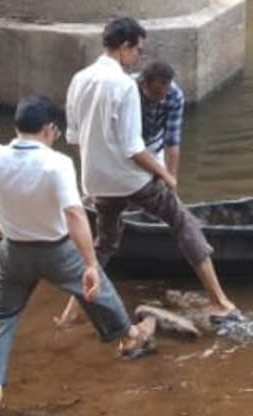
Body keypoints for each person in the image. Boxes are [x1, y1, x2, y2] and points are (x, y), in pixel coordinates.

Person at [0, 96, 157, 416]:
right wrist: (89, 262)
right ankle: (129, 337)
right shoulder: (56, 163)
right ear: (48, 129)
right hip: (57, 250)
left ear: (17, 126)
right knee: (97, 289)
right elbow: (73, 213)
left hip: (14, 250)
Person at [64, 17, 242, 324]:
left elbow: (74, 139)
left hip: (95, 183)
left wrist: (95, 172)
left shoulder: (79, 79)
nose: (138, 58)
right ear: (124, 47)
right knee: (184, 223)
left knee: (103, 247)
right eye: (137, 50)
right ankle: (220, 301)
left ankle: (69, 314)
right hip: (131, 180)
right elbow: (134, 150)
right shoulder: (124, 86)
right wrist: (165, 175)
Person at [138, 60, 185, 179]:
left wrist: (171, 179)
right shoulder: (128, 90)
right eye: (155, 94)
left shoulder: (174, 95)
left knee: (162, 186)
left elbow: (172, 142)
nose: (160, 99)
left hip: (153, 144)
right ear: (144, 85)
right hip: (128, 144)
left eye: (164, 94)